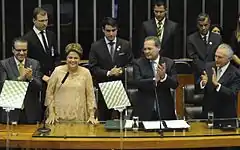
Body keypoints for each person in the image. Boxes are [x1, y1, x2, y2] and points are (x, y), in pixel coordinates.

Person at [89, 17, 133, 121]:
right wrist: (109, 73)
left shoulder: (125, 45)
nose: (111, 34)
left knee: (121, 119)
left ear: (117, 30)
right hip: (104, 87)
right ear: (103, 30)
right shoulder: (96, 46)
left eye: (114, 30)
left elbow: (131, 64)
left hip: (121, 87)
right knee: (104, 119)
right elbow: (93, 68)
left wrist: (121, 70)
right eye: (108, 31)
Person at [45, 43, 98, 124]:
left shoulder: (86, 72)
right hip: (58, 117)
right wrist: (51, 113)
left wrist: (91, 115)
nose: (73, 60)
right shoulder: (57, 71)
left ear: (80, 59)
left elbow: (90, 95)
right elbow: (49, 93)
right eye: (70, 57)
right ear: (66, 58)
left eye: (76, 58)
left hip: (79, 117)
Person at [133, 36, 178, 121]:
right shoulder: (138, 63)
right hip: (144, 109)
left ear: (158, 48)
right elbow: (137, 82)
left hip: (164, 108)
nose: (146, 52)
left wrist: (164, 77)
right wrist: (154, 80)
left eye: (149, 49)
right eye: (145, 49)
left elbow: (175, 84)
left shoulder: (169, 63)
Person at [0, 37, 42, 124]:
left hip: (30, 113)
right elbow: (3, 87)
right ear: (13, 50)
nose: (22, 53)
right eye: (18, 50)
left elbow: (39, 87)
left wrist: (31, 78)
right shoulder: (4, 64)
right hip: (11, 112)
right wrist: (20, 79)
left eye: (24, 50)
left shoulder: (34, 64)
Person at [200, 43, 240, 119]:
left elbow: (232, 94)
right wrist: (202, 83)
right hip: (207, 114)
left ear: (229, 59)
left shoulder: (236, 73)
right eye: (215, 56)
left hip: (225, 116)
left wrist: (218, 85)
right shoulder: (208, 66)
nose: (216, 59)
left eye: (220, 57)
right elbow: (197, 87)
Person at [23, 7, 59, 83]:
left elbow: (56, 55)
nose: (45, 23)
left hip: (52, 77)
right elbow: (26, 62)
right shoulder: (27, 38)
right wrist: (42, 76)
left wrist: (55, 72)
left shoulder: (51, 35)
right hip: (36, 79)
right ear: (34, 20)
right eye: (41, 21)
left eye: (46, 20)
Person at [187, 13, 222, 86]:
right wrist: (204, 70)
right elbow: (194, 58)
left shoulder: (217, 38)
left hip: (215, 73)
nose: (203, 28)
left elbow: (219, 56)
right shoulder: (191, 39)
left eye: (205, 25)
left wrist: (210, 70)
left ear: (209, 24)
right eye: (201, 25)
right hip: (199, 74)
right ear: (197, 25)